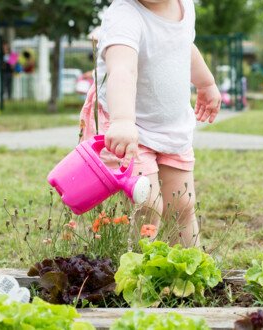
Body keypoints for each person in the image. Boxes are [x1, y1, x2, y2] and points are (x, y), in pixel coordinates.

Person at [79, 0, 220, 247]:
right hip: (132, 131)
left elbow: (184, 45)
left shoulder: (184, 6)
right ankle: (138, 272)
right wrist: (123, 121)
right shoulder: (125, 15)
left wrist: (206, 83)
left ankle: (191, 269)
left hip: (172, 128)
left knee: (183, 206)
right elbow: (122, 70)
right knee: (147, 205)